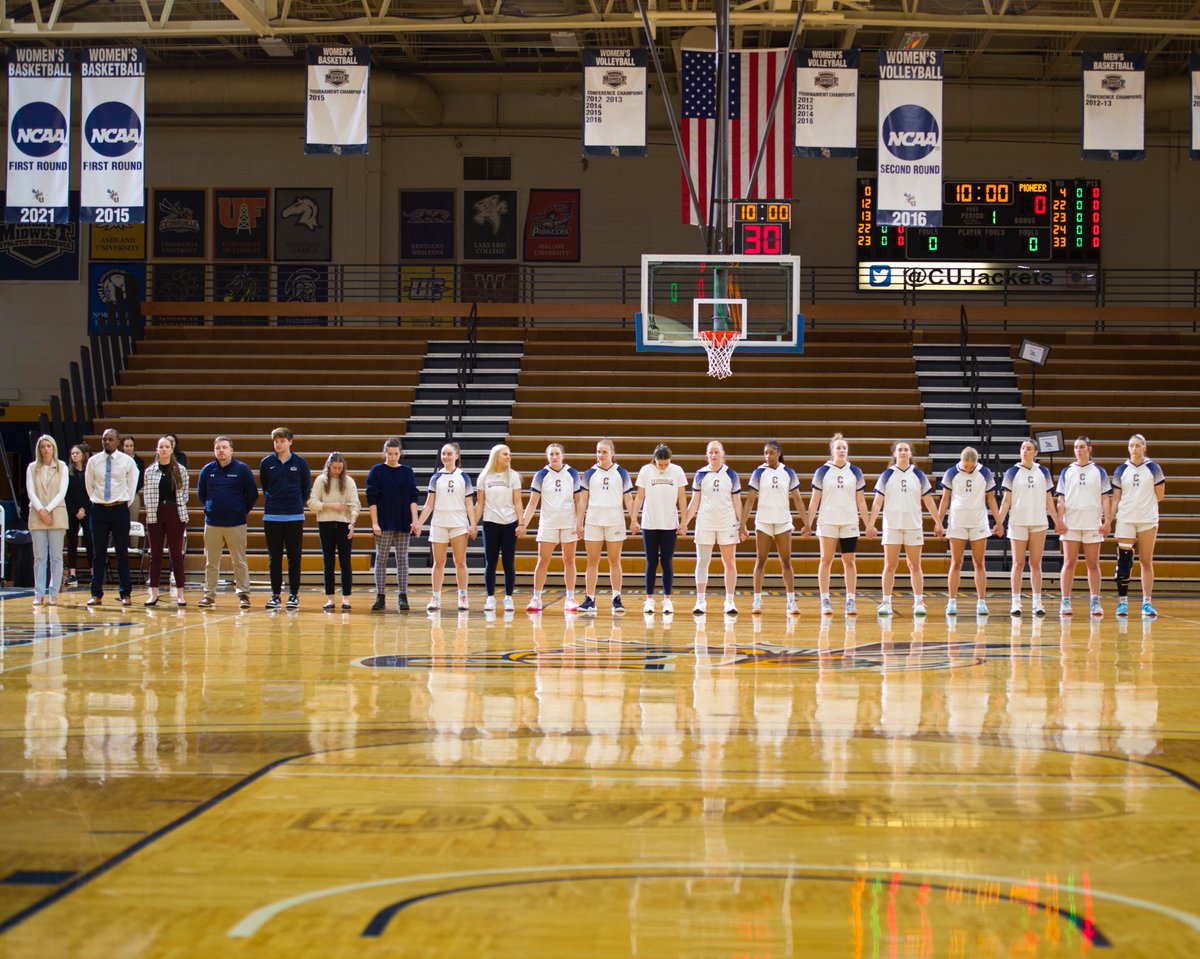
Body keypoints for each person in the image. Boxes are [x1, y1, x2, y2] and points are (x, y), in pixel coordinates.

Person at [867, 440, 940, 618]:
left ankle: (918, 602)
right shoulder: (887, 475)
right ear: (894, 454)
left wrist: (938, 521)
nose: (902, 452)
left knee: (914, 565)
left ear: (910, 453)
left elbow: (929, 500)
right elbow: (877, 501)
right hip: (892, 525)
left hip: (913, 525)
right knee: (890, 565)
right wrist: (870, 523)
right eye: (899, 449)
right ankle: (886, 601)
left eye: (905, 449)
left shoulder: (919, 475)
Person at [804, 433, 873, 617]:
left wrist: (869, 524)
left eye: (844, 448)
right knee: (826, 560)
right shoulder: (822, 471)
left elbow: (861, 501)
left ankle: (850, 599)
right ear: (832, 451)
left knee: (849, 561)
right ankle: (825, 599)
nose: (842, 451)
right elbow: (814, 501)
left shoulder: (855, 472)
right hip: (827, 521)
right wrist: (807, 524)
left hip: (849, 521)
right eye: (838, 448)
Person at [741, 440, 807, 616]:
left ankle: (791, 601)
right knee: (760, 560)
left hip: (783, 523)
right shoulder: (758, 472)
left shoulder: (788, 472)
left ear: (778, 453)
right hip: (763, 522)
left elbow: (798, 499)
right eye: (765, 453)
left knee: (786, 561)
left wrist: (806, 522)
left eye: (770, 452)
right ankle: (757, 599)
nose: (767, 456)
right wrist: (742, 523)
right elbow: (749, 500)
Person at [683, 439, 746, 617]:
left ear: (722, 454)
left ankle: (729, 600)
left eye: (716, 452)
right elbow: (694, 502)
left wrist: (742, 526)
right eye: (710, 452)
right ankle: (701, 600)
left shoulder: (731, 475)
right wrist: (684, 523)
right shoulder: (700, 474)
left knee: (729, 562)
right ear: (706, 454)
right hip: (705, 523)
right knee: (702, 562)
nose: (713, 455)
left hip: (727, 523)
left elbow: (737, 502)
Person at [937, 446, 1001, 617]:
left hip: (978, 521)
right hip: (957, 522)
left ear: (976, 462)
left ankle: (981, 602)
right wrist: (938, 521)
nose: (968, 469)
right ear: (961, 461)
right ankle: (951, 601)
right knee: (956, 562)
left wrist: (999, 521)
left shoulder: (985, 473)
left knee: (979, 563)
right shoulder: (951, 473)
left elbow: (991, 499)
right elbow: (944, 499)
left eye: (971, 466)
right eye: (965, 466)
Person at [196, 435, 258, 610]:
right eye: (218, 448)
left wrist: (239, 511)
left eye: (224, 447)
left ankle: (243, 595)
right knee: (211, 562)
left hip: (236, 523)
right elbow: (202, 495)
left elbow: (252, 495)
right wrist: (211, 508)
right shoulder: (207, 470)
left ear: (231, 450)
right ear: (214, 451)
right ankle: (209, 595)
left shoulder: (242, 469)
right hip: (212, 524)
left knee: (239, 560)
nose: (221, 451)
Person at [996, 439, 1055, 618]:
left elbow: (1049, 500)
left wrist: (1057, 520)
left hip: (1038, 522)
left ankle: (1037, 602)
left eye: (1029, 449)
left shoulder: (1043, 471)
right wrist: (999, 521)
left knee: (1035, 563)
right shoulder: (1012, 472)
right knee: (1018, 563)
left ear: (1035, 452)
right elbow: (1006, 500)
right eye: (1023, 448)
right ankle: (1016, 601)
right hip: (1017, 522)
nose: (1025, 451)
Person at [1054, 436, 1112, 618]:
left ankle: (1095, 600)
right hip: (1071, 524)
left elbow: (1105, 499)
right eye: (1076, 447)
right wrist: (1059, 520)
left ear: (1089, 449)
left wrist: (1107, 521)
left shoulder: (1099, 471)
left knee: (1092, 563)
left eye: (1081, 447)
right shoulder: (1067, 471)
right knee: (1069, 562)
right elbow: (1061, 499)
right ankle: (1065, 600)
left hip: (1092, 524)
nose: (1078, 450)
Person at [416, 442, 477, 612]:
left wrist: (473, 524)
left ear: (457, 456)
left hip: (458, 524)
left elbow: (469, 504)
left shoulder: (463, 477)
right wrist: (419, 523)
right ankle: (435, 597)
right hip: (439, 524)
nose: (446, 457)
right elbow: (428, 505)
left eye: (449, 454)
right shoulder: (436, 477)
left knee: (460, 561)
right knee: (439, 562)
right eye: (443, 454)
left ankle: (463, 597)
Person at [522, 443, 582, 613]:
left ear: (563, 456)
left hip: (568, 523)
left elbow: (579, 501)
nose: (554, 457)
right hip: (548, 523)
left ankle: (570, 598)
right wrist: (523, 524)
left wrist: (579, 523)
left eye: (557, 454)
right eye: (551, 454)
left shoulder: (572, 473)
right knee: (542, 560)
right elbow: (533, 503)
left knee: (569, 560)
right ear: (547, 457)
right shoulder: (541, 475)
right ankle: (536, 598)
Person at [576, 438, 635, 614]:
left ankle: (616, 598)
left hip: (615, 522)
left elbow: (629, 499)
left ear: (612, 453)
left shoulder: (622, 473)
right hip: (593, 521)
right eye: (598, 451)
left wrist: (634, 519)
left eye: (604, 452)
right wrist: (579, 522)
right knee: (592, 561)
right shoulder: (589, 474)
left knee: (614, 560)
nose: (600, 455)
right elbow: (582, 500)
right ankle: (590, 599)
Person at [1110, 434, 1165, 619]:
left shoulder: (1153, 468)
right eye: (1131, 445)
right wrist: (1109, 519)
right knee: (1124, 560)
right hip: (1126, 519)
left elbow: (1159, 495)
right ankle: (1122, 603)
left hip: (1147, 520)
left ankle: (1147, 602)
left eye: (1137, 445)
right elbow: (1116, 498)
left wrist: (1143, 506)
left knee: (1146, 561)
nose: (1133, 448)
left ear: (1144, 448)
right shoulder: (1121, 470)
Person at [630, 444, 688, 616]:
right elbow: (639, 496)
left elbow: (682, 497)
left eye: (665, 464)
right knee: (651, 562)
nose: (662, 467)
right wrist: (634, 519)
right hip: (649, 524)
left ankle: (667, 600)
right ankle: (649, 599)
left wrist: (684, 521)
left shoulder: (677, 471)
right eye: (659, 464)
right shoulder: (646, 470)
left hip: (670, 524)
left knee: (667, 562)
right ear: (654, 460)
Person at [84, 428, 139, 607]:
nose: (107, 442)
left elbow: (132, 486)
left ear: (118, 441)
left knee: (121, 553)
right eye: (104, 439)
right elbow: (89, 485)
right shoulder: (93, 461)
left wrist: (121, 502)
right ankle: (96, 594)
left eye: (110, 439)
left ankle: (125, 594)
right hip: (98, 510)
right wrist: (100, 501)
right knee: (98, 554)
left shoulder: (127, 461)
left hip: (119, 510)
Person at [259, 427, 312, 611]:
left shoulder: (301, 463)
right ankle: (275, 595)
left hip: (294, 516)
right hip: (272, 515)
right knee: (274, 557)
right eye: (275, 441)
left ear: (290, 441)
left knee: (294, 557)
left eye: (281, 440)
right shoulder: (266, 463)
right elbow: (265, 486)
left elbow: (306, 488)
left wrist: (295, 503)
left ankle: (293, 595)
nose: (278, 444)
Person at [366, 437, 420, 612]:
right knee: (381, 559)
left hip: (403, 521)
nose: (393, 457)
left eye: (396, 453)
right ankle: (380, 596)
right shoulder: (377, 471)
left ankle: (402, 596)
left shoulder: (407, 472)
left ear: (400, 453)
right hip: (384, 521)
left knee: (402, 559)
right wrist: (375, 523)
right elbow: (371, 499)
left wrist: (415, 520)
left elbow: (413, 498)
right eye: (390, 453)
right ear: (385, 453)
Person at [475, 443, 524, 612]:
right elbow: (479, 504)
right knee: (491, 561)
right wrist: (473, 524)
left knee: (508, 562)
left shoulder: (513, 477)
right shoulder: (484, 477)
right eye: (505, 454)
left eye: (509, 454)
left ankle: (508, 598)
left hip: (509, 524)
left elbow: (518, 502)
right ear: (496, 456)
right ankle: (490, 598)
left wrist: (521, 523)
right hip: (490, 523)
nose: (508, 457)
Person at [308, 451, 360, 611]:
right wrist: (331, 506)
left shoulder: (349, 481)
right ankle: (330, 599)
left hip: (344, 524)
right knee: (328, 562)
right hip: (325, 524)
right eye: (334, 468)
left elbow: (355, 504)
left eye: (339, 468)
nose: (336, 471)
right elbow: (311, 502)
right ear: (328, 467)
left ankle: (346, 598)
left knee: (345, 562)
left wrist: (352, 522)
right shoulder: (321, 480)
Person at [143, 436, 189, 607]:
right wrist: (152, 510)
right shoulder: (149, 471)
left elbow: (184, 494)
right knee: (154, 554)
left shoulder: (180, 470)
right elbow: (147, 495)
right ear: (157, 450)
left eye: (167, 446)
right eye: (161, 446)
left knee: (176, 555)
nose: (163, 449)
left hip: (175, 513)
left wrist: (176, 507)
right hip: (155, 514)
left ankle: (180, 594)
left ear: (172, 449)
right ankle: (153, 593)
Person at [26, 434, 68, 606]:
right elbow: (31, 492)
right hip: (37, 514)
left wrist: (48, 509)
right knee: (39, 557)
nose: (46, 449)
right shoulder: (32, 468)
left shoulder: (62, 466)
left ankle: (54, 594)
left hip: (56, 514)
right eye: (43, 446)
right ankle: (39, 593)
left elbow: (62, 492)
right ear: (39, 449)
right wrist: (42, 511)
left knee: (56, 557)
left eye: (48, 446)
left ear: (54, 448)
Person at [64, 442, 92, 587]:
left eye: (77, 453)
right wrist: (75, 511)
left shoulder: (88, 472)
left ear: (83, 455)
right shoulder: (67, 473)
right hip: (72, 512)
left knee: (90, 541)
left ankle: (94, 573)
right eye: (72, 453)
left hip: (87, 510)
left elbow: (92, 492)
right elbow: (65, 494)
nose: (74, 455)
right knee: (72, 542)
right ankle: (72, 575)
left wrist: (84, 510)